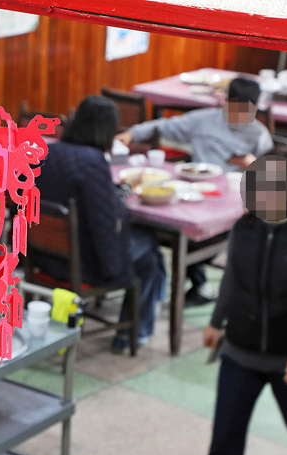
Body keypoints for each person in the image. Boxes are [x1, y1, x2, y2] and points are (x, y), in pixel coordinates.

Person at [201, 152, 287, 455]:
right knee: (224, 442)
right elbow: (231, 278)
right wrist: (217, 322)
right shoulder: (244, 229)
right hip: (240, 352)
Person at [116, 78, 274, 306]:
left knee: (210, 238)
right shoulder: (204, 120)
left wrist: (253, 164)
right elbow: (162, 126)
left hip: (234, 201)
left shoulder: (258, 135)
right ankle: (195, 283)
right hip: (196, 194)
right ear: (225, 102)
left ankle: (198, 281)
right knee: (160, 226)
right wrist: (131, 134)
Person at [35, 95, 166, 352]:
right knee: (150, 252)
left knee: (149, 252)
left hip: (42, 256)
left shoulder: (45, 152)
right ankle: (132, 333)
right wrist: (127, 188)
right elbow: (105, 219)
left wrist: (119, 189)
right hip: (79, 263)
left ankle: (143, 319)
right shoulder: (92, 161)